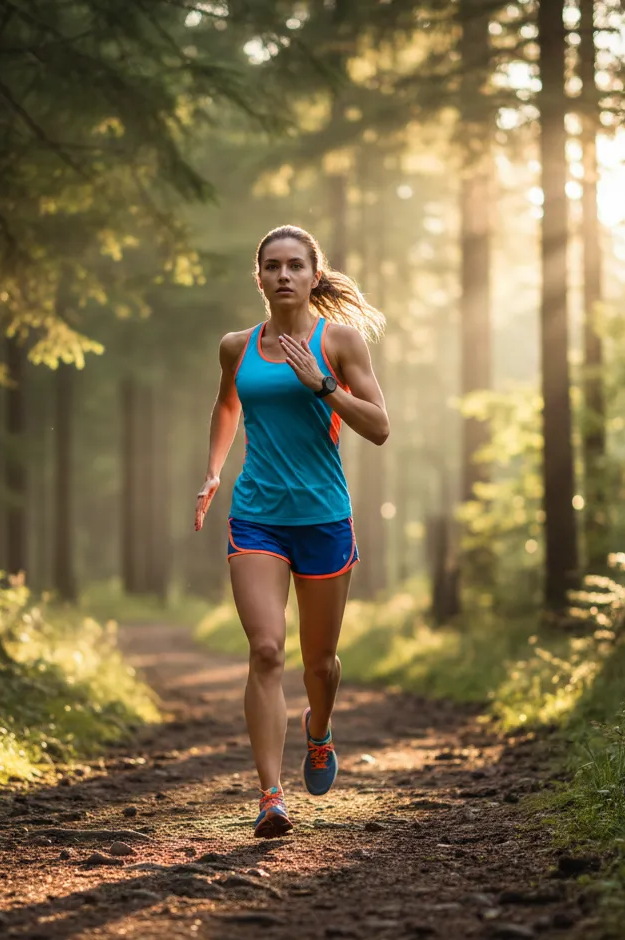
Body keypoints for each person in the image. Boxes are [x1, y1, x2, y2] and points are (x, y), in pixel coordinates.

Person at [194, 224, 390, 838]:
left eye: (295, 266)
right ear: (259, 278)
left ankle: (319, 729)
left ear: (313, 275)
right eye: (272, 266)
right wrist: (213, 471)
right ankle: (270, 797)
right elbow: (228, 404)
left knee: (320, 663)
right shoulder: (237, 347)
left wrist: (324, 386)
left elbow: (380, 426)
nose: (283, 275)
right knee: (266, 650)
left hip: (325, 517)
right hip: (257, 517)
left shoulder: (340, 343)